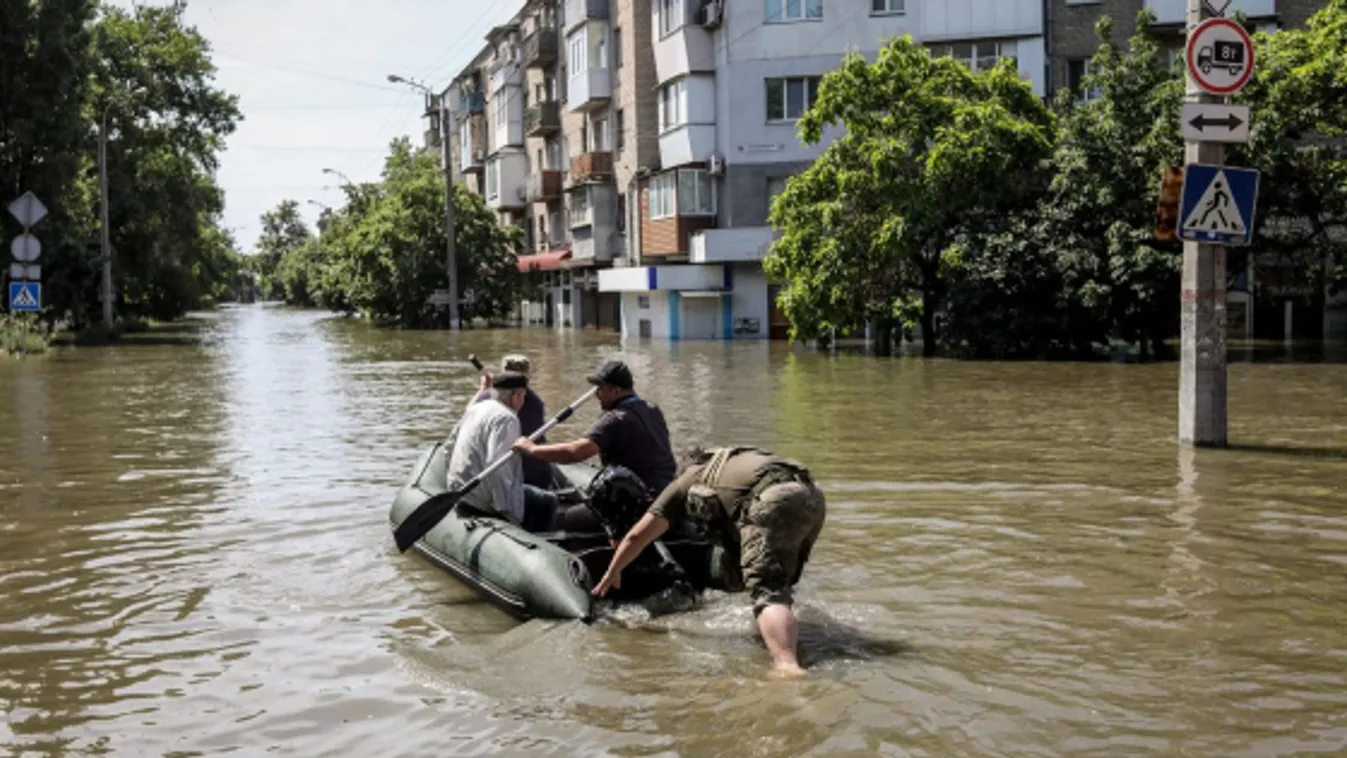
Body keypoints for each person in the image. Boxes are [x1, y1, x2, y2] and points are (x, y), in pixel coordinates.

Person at [591, 446, 827, 676]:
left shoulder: (684, 482)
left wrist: (613, 571)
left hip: (774, 500)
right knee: (777, 579)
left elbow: (636, 536)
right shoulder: (730, 461)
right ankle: (780, 635)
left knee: (768, 589)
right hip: (812, 494)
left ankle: (787, 666)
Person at [512, 359, 677, 533]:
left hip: (633, 503)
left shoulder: (614, 419)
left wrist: (531, 448)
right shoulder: (652, 409)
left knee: (558, 518)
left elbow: (576, 452)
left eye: (601, 389)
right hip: (664, 497)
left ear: (616, 390)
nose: (597, 395)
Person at [443, 370, 559, 532]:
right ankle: (541, 542)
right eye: (523, 396)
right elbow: (497, 466)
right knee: (547, 500)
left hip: (462, 492)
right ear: (516, 397)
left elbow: (449, 448)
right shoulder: (507, 418)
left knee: (527, 493)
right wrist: (508, 513)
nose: (524, 401)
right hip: (482, 500)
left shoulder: (476, 408)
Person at [468, 354, 555, 489]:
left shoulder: (489, 397)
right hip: (532, 474)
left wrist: (483, 390)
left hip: (518, 477)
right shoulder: (536, 402)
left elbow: (468, 415)